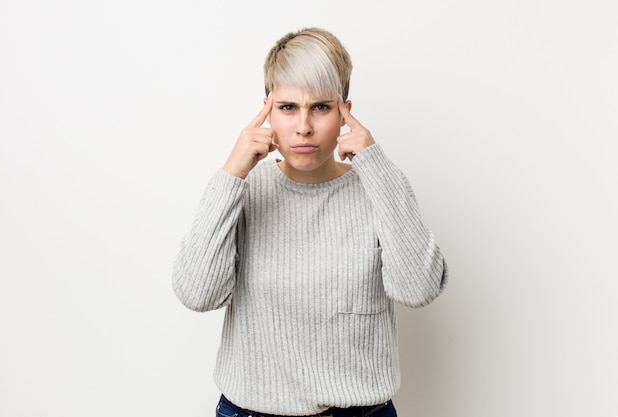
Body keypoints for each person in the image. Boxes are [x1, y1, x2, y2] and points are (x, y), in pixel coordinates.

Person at [172, 27, 448, 417]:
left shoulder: (380, 184)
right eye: (288, 107)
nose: (303, 126)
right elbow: (198, 294)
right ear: (266, 109)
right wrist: (232, 173)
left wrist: (379, 171)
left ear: (345, 111)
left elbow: (418, 289)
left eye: (320, 107)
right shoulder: (245, 190)